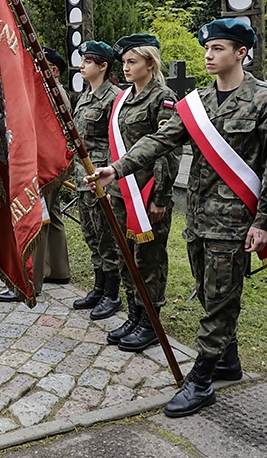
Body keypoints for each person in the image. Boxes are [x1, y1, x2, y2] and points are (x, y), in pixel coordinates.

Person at [90, 18, 267, 418]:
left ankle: (200, 380)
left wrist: (265, 221)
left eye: (218, 48)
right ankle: (228, 361)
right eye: (207, 48)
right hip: (198, 220)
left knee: (219, 300)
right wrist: (118, 167)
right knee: (209, 292)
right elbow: (160, 139)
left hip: (235, 222)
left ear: (241, 52)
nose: (209, 54)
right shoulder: (197, 102)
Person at [104, 35, 180, 353]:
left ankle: (150, 322)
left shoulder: (162, 98)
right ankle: (135, 314)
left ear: (150, 63)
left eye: (132, 62)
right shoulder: (123, 99)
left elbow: (166, 151)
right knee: (126, 256)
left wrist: (160, 197)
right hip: (123, 193)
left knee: (148, 259)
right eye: (123, 62)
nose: (126, 67)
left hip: (147, 194)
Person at [0, 46, 72, 302]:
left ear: (53, 70)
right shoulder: (53, 90)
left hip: (41, 162)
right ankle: (58, 269)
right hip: (50, 162)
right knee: (54, 216)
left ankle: (30, 281)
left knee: (37, 217)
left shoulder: (49, 91)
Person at [70, 41, 124, 319]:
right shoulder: (87, 96)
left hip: (103, 176)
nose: (82, 65)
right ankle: (99, 285)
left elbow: (118, 142)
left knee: (106, 235)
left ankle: (112, 293)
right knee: (91, 234)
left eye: (88, 61)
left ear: (103, 66)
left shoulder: (115, 97)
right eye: (82, 60)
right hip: (83, 176)